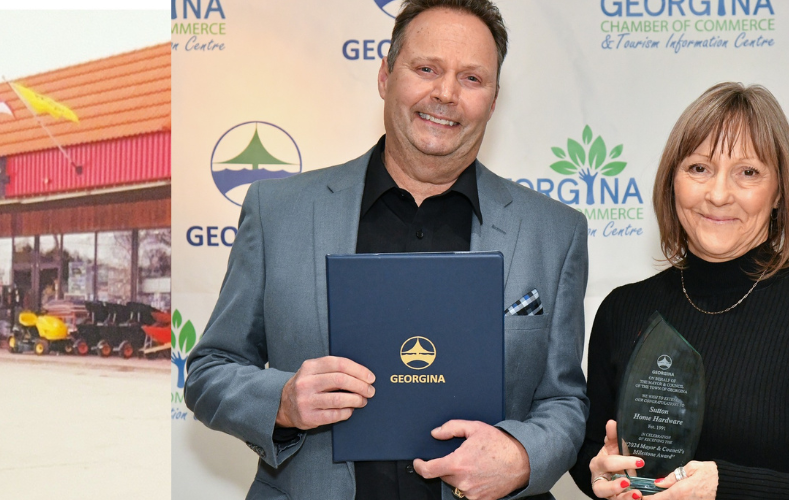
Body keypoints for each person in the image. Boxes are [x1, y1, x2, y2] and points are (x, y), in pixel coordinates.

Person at [185, 1, 590, 499]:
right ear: (385, 75)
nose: (445, 94)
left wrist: (523, 453)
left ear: (493, 98)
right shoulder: (279, 212)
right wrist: (283, 401)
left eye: (471, 79)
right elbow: (208, 371)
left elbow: (564, 401)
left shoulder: (555, 231)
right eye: (426, 69)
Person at [570, 83, 789, 500]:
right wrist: (597, 473)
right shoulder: (624, 310)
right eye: (699, 168)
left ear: (779, 191)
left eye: (747, 172)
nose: (719, 194)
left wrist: (728, 487)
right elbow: (591, 454)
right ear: (672, 181)